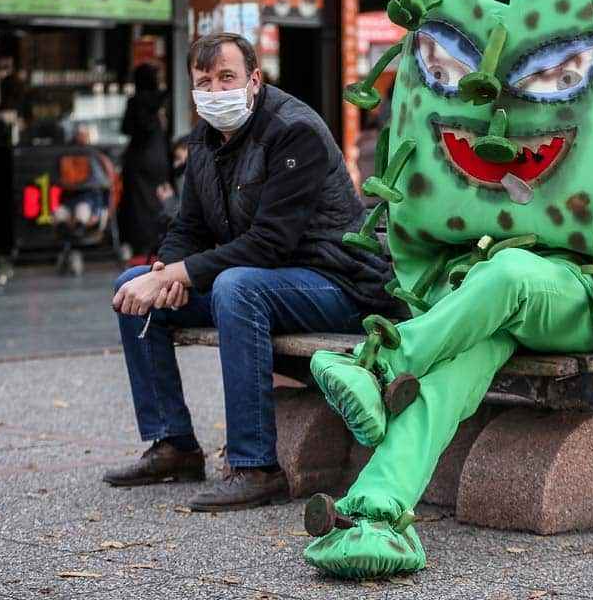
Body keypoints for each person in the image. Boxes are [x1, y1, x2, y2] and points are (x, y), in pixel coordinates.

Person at [106, 32, 399, 511]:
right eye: (205, 82)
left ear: (255, 80)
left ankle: (256, 466)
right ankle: (173, 444)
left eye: (228, 78)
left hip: (337, 284)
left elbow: (269, 244)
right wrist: (162, 270)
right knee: (131, 287)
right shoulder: (205, 140)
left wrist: (180, 275)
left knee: (236, 287)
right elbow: (189, 226)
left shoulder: (294, 132)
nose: (216, 91)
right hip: (267, 281)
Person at [117, 64, 172, 256]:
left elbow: (125, 128)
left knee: (139, 204)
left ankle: (141, 243)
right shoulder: (161, 100)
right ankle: (159, 239)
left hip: (139, 159)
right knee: (159, 199)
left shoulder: (135, 101)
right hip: (159, 157)